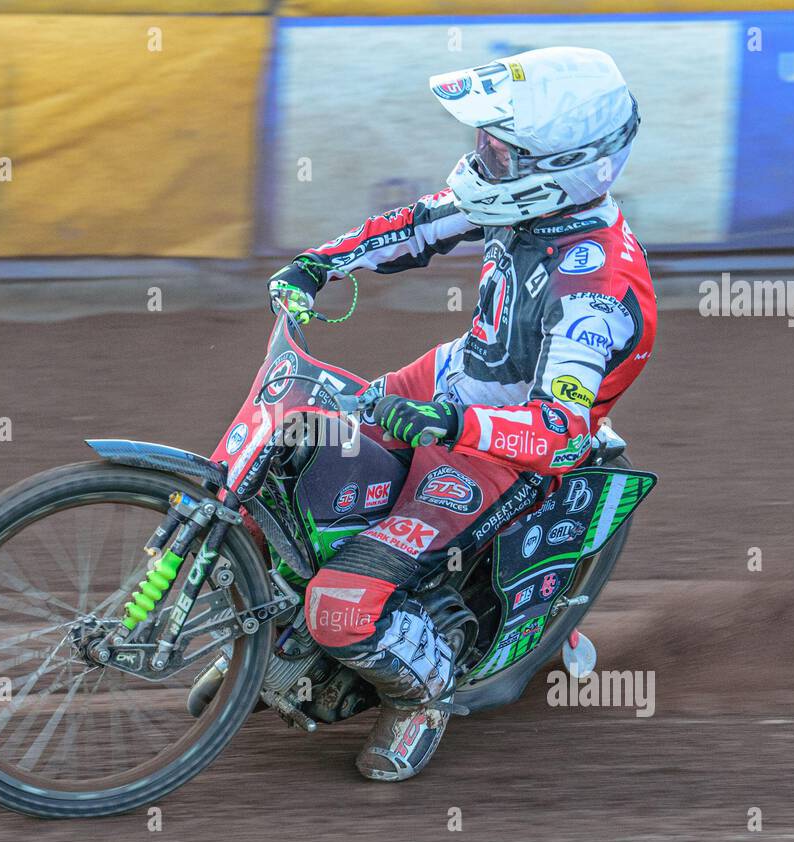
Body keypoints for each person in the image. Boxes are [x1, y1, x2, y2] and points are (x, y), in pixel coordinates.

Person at [268, 47, 658, 782]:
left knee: (343, 604)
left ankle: (423, 695)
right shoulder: (529, 203)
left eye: (500, 151)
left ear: (561, 166)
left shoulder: (593, 296)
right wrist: (317, 264)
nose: (482, 159)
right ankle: (268, 638)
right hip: (447, 381)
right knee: (292, 454)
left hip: (497, 449)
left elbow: (560, 431)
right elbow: (417, 226)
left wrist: (453, 428)